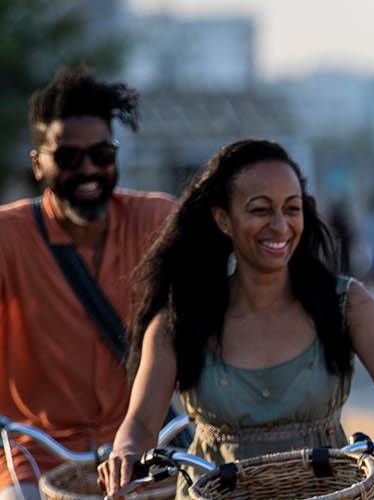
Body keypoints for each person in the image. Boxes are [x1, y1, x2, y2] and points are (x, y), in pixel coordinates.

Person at [98, 140, 374, 496]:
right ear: (223, 219)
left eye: (292, 208)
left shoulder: (347, 304)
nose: (280, 225)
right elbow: (143, 421)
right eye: (260, 210)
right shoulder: (179, 320)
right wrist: (125, 454)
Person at [0, 67, 176, 500]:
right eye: (68, 158)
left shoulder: (157, 221)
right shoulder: (8, 236)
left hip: (141, 452)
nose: (89, 170)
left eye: (102, 154)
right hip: (35, 452)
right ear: (38, 163)